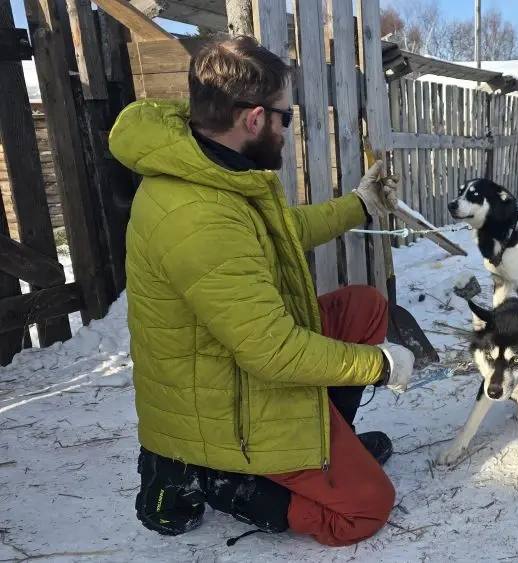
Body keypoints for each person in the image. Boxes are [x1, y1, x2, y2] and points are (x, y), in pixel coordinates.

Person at [108, 35, 415, 547]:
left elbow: (278, 232)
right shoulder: (198, 215)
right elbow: (271, 353)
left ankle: (317, 446)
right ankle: (216, 478)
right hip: (225, 403)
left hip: (231, 368)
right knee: (363, 511)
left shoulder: (212, 168)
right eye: (285, 117)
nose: (286, 127)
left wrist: (360, 206)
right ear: (253, 119)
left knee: (363, 306)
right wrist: (379, 366)